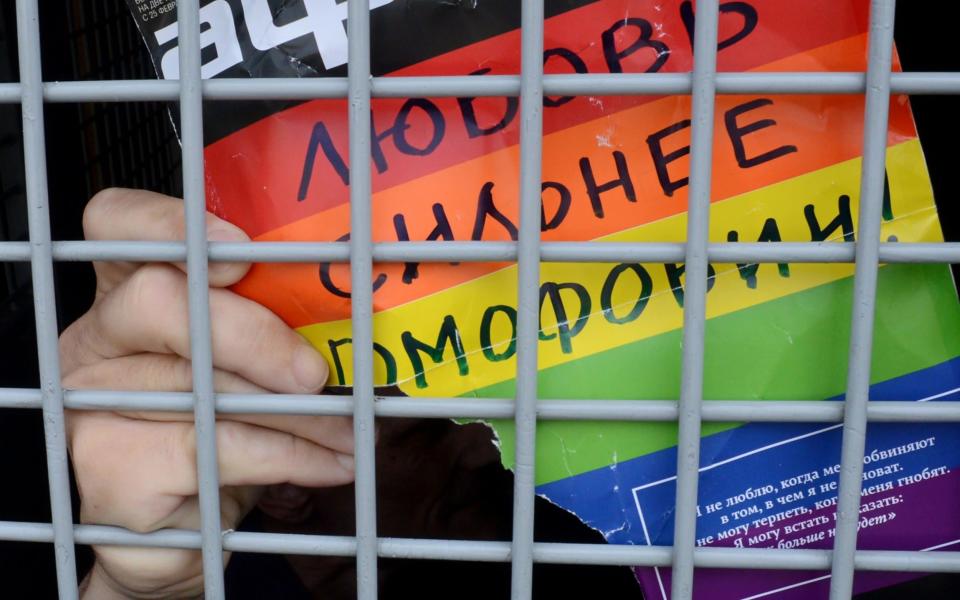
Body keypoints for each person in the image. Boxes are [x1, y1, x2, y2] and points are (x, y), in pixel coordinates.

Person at [63, 188, 629, 599]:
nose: (486, 441)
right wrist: (129, 591)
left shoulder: (573, 551)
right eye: (427, 423)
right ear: (282, 488)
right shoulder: (208, 564)